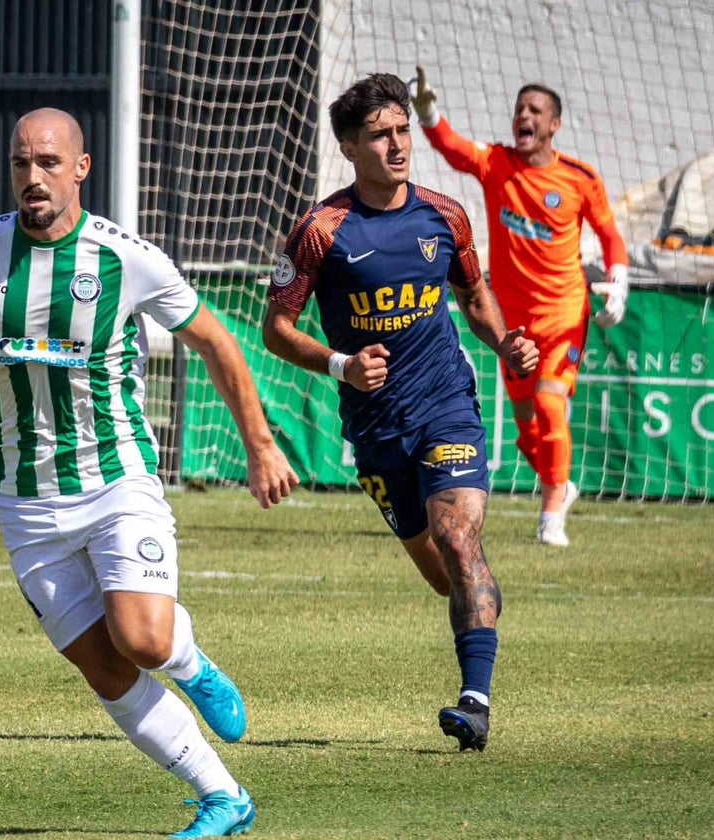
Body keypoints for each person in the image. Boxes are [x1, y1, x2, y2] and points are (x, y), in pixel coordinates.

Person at [0, 107, 299, 838]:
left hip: (117, 480)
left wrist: (259, 444)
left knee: (143, 641)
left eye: (49, 163)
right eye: (22, 163)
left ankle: (189, 660)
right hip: (24, 503)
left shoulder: (127, 259)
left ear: (81, 169)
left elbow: (217, 341)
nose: (34, 177)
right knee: (107, 670)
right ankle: (224, 798)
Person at [261, 73, 538, 752]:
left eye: (402, 129)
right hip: (376, 429)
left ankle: (475, 704)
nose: (397, 144)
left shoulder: (445, 215)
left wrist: (504, 342)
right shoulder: (320, 232)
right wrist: (341, 365)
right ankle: (482, 618)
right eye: (380, 134)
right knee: (444, 574)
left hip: (447, 407)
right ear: (350, 146)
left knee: (459, 540)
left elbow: (474, 296)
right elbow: (275, 327)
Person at [412, 67, 630, 547]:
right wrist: (428, 111)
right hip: (513, 322)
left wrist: (618, 283)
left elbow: (611, 235)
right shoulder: (496, 164)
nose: (523, 116)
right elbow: (452, 147)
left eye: (535, 110)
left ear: (554, 124)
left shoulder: (579, 178)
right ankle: (560, 480)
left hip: (565, 314)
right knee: (528, 433)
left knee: (552, 406)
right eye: (519, 109)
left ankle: (552, 514)